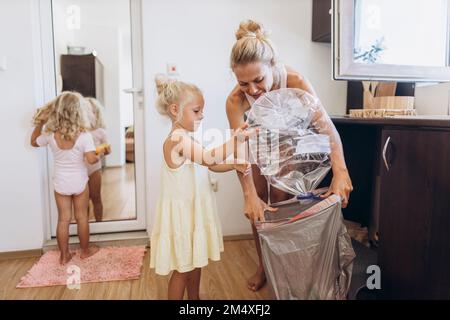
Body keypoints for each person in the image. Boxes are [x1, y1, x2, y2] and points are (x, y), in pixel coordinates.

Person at [225, 20, 353, 291]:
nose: (252, 90)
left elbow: (326, 129)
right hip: (259, 142)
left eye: (258, 79)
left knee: (284, 201)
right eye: (243, 83)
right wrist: (248, 195)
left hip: (295, 140)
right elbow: (240, 152)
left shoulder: (295, 81)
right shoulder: (235, 101)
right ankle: (264, 265)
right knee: (258, 206)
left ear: (272, 65)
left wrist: (341, 171)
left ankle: (294, 266)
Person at [150, 77, 253, 299]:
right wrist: (235, 140)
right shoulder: (177, 140)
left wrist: (233, 164)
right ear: (175, 109)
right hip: (183, 216)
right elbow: (207, 158)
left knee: (196, 262)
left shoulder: (188, 138)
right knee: (183, 269)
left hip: (193, 212)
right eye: (197, 111)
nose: (202, 115)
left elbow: (210, 165)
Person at [31, 91, 102, 264]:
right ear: (79, 112)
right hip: (79, 182)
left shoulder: (50, 135)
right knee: (82, 218)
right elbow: (91, 159)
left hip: (60, 182)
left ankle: (64, 256)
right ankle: (84, 252)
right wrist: (98, 155)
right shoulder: (85, 136)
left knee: (63, 219)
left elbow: (33, 142)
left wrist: (40, 123)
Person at [86, 97, 110, 222]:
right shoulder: (79, 132)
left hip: (94, 169)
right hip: (80, 170)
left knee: (96, 197)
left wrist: (100, 153)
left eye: (91, 111)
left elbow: (108, 149)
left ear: (96, 114)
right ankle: (84, 225)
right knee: (83, 201)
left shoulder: (100, 132)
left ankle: (99, 223)